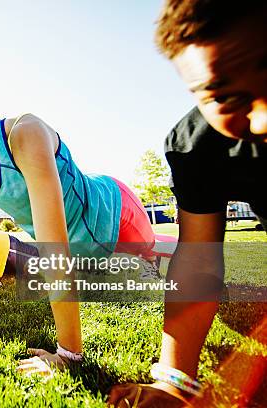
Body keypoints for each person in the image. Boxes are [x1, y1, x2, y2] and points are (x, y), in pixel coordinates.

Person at [0, 58, 164, 368]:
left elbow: (54, 248)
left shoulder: (24, 134)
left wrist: (68, 355)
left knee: (151, 266)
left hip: (116, 214)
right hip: (84, 247)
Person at [109, 0, 267, 406]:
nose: (262, 120)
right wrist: (174, 381)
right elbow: (198, 258)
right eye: (225, 97)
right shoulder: (198, 147)